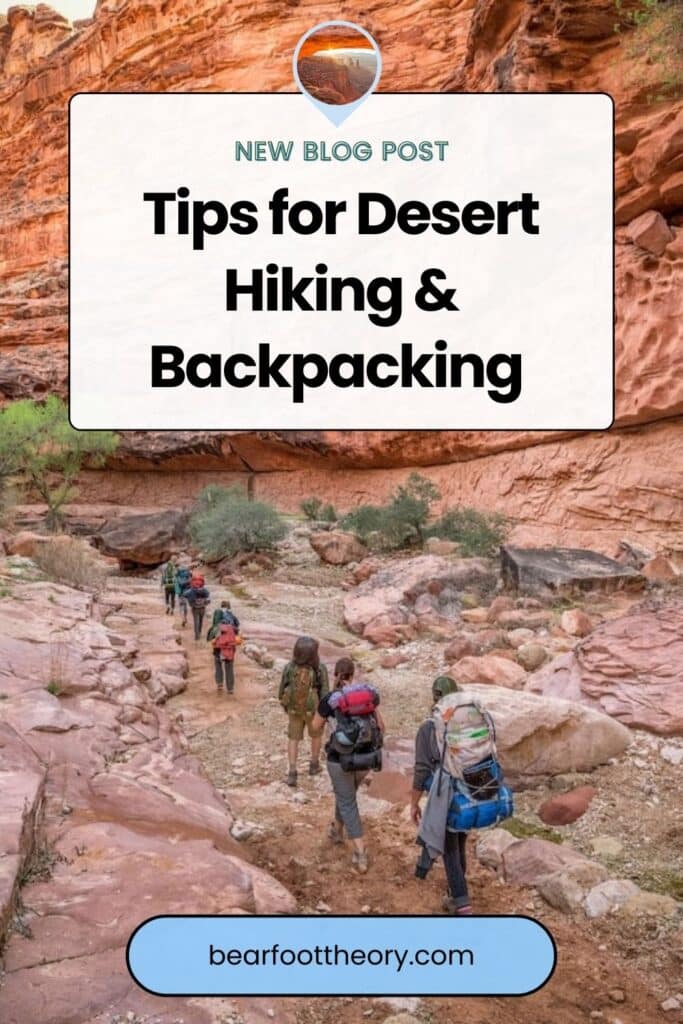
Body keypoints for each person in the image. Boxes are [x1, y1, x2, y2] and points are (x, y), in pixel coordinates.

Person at [311, 657, 384, 875]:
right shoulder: (366, 697)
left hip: (339, 759)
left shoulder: (330, 700)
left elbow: (315, 727)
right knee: (346, 795)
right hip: (367, 758)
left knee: (347, 800)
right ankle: (336, 830)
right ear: (352, 675)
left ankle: (360, 852)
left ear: (336, 675)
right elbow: (381, 726)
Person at [410, 675, 473, 916]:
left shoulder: (429, 728)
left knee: (448, 848)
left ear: (435, 697)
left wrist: (413, 803)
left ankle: (462, 903)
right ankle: (453, 892)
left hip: (446, 796)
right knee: (459, 842)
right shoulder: (468, 723)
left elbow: (421, 769)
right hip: (471, 792)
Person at [278, 636, 329, 787]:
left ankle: (292, 772)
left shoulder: (289, 667)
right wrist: (325, 712)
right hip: (313, 709)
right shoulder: (320, 668)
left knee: (293, 738)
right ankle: (314, 764)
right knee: (316, 735)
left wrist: (284, 702)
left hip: (294, 708)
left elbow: (282, 688)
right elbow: (325, 691)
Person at [212, 622, 239, 694]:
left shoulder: (216, 628)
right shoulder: (232, 628)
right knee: (229, 669)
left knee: (218, 666)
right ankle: (230, 689)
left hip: (218, 650)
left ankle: (219, 683)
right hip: (230, 651)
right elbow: (237, 638)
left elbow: (211, 639)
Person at [185, 573, 211, 642]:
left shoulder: (191, 590)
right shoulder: (204, 590)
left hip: (194, 608)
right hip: (202, 607)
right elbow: (208, 597)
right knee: (201, 621)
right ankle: (199, 632)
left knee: (196, 621)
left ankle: (197, 636)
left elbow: (185, 595)